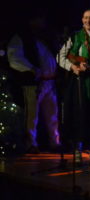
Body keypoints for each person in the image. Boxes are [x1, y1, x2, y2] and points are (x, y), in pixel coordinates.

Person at [57, 9, 90, 160]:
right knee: (77, 114)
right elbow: (60, 56)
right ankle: (77, 150)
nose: (88, 21)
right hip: (78, 82)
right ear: (82, 20)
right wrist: (72, 67)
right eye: (86, 18)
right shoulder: (74, 37)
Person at [7, 15, 61, 152]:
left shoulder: (46, 38)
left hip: (50, 82)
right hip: (33, 83)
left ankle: (54, 142)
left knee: (52, 114)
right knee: (32, 115)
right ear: (32, 21)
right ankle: (31, 144)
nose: (42, 22)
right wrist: (31, 69)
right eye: (39, 19)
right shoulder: (21, 38)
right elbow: (14, 58)